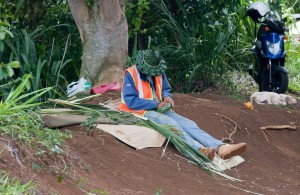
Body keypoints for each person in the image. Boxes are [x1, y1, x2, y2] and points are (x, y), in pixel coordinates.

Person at [119, 49, 246, 161]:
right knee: (171, 124)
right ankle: (199, 150)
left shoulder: (158, 70)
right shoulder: (131, 74)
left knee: (188, 124)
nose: (154, 74)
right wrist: (156, 104)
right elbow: (131, 101)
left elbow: (165, 89)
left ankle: (221, 147)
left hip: (159, 107)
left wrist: (167, 97)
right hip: (139, 111)